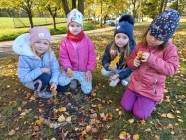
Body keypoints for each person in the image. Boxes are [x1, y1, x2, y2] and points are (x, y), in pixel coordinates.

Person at [120, 9, 180, 119]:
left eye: (158, 38)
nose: (152, 39)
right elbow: (130, 61)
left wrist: (151, 59)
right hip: (135, 85)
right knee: (125, 106)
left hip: (151, 90)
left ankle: (151, 101)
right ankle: (136, 98)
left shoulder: (169, 49)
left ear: (166, 39)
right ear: (148, 30)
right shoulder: (142, 45)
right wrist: (133, 62)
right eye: (151, 34)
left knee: (140, 114)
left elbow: (172, 69)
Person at [12, 27, 68, 99]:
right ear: (32, 43)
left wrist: (54, 82)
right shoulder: (25, 57)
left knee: (63, 87)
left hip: (48, 77)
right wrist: (40, 70)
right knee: (44, 76)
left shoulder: (50, 54)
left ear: (48, 45)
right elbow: (23, 77)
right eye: (38, 42)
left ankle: (49, 84)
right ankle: (39, 92)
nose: (41, 46)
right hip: (34, 81)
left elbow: (56, 69)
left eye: (45, 43)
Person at [59, 9, 96, 95]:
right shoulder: (65, 42)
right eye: (72, 25)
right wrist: (68, 68)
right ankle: (73, 79)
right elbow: (64, 56)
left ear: (81, 27)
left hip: (84, 71)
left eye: (77, 25)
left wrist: (89, 70)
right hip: (71, 70)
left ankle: (83, 79)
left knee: (87, 90)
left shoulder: (87, 41)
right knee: (61, 81)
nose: (75, 28)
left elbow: (92, 56)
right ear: (68, 27)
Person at [101, 14, 136, 87]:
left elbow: (131, 67)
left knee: (132, 77)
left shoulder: (133, 49)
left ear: (129, 39)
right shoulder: (110, 47)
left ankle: (122, 78)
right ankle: (114, 76)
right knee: (104, 72)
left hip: (125, 70)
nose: (120, 40)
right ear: (114, 37)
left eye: (124, 38)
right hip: (115, 69)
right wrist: (108, 66)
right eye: (118, 37)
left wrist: (119, 75)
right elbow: (105, 60)